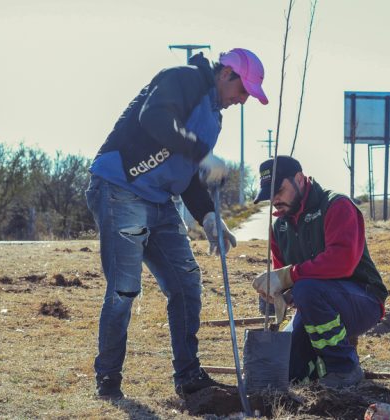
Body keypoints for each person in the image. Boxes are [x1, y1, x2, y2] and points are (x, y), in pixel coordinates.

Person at [86, 48, 268, 400]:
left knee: (186, 283)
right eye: (243, 90)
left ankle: (188, 376)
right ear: (226, 74)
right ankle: (108, 380)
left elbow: (187, 174)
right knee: (124, 289)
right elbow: (154, 118)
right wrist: (201, 152)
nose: (243, 100)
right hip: (119, 187)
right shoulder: (183, 79)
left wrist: (210, 217)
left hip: (159, 200)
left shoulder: (214, 117)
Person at [251, 156, 388, 389]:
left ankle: (344, 368)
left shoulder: (337, 206)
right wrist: (278, 295)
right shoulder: (279, 227)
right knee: (288, 371)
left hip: (364, 301)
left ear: (299, 179)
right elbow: (286, 277)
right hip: (314, 303)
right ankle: (320, 369)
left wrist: (289, 277)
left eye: (280, 190)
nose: (274, 200)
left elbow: (342, 262)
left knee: (307, 288)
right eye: (269, 195)